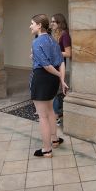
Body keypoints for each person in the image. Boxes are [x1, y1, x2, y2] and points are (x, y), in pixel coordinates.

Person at [30, 14, 68, 158]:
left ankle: (46, 149)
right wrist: (61, 78)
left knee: (43, 116)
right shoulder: (53, 40)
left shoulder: (37, 42)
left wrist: (60, 77)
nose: (30, 26)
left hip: (42, 79)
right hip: (52, 80)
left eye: (32, 23)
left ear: (39, 25)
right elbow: (61, 62)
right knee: (51, 111)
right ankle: (55, 140)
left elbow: (45, 65)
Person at [50, 13, 71, 125]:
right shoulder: (55, 34)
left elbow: (68, 53)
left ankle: (57, 116)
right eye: (51, 21)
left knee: (55, 91)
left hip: (59, 66)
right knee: (54, 90)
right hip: (53, 65)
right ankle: (56, 113)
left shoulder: (64, 35)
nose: (51, 23)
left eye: (53, 21)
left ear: (59, 22)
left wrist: (53, 52)